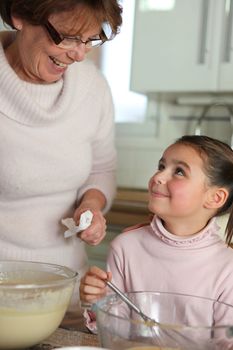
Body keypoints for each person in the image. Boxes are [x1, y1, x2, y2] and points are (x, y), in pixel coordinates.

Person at [0, 0, 122, 307]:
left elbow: (102, 169)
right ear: (19, 16)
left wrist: (91, 205)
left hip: (66, 288)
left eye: (90, 39)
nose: (79, 55)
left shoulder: (92, 87)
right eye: (67, 37)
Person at [80, 135, 233, 314]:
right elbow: (115, 330)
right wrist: (99, 302)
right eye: (161, 166)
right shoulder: (125, 247)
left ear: (215, 198)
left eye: (179, 172)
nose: (158, 176)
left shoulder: (227, 269)